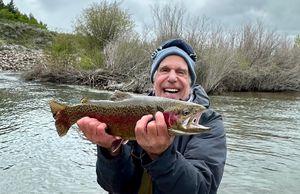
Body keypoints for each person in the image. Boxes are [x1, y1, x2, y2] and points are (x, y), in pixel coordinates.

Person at [77, 38, 227, 194]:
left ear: (190, 83)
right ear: (154, 80)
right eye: (164, 70)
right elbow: (114, 186)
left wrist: (161, 156)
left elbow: (202, 189)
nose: (172, 77)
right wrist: (110, 150)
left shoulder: (209, 123)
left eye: (181, 72)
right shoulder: (135, 110)